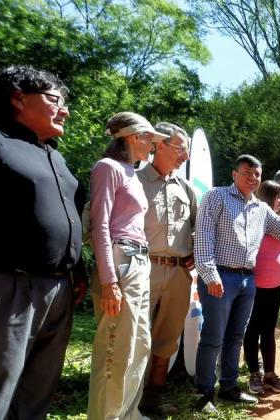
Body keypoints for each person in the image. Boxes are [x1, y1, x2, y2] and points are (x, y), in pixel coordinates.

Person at [193, 155, 280, 412]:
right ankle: (205, 394)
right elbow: (203, 236)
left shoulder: (261, 209)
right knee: (214, 337)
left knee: (236, 336)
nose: (252, 178)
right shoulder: (216, 197)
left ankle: (229, 388)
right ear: (234, 174)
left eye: (257, 174)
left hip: (248, 279)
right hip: (220, 276)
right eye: (247, 172)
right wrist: (209, 273)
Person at [0, 66, 84, 419]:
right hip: (6, 286)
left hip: (58, 289)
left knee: (39, 389)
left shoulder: (54, 154)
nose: (65, 110)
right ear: (18, 97)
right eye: (56, 100)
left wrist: (78, 269)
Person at [87, 112, 168, 419]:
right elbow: (100, 225)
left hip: (139, 261)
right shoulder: (108, 168)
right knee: (116, 350)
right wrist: (109, 281)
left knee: (139, 345)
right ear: (134, 137)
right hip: (121, 260)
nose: (153, 147)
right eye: (151, 140)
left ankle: (128, 414)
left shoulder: (131, 171)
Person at [136, 122, 197, 415]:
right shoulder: (132, 180)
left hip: (178, 275)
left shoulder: (185, 188)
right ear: (160, 144)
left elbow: (201, 229)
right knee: (133, 338)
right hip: (140, 270)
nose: (185, 154)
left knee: (167, 340)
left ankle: (152, 400)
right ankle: (127, 404)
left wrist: (197, 252)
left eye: (186, 147)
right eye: (180, 147)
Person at [244, 180, 280, 395]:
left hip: (275, 285)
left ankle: (270, 375)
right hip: (254, 284)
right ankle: (255, 374)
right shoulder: (255, 218)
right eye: (278, 197)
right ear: (269, 197)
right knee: (252, 329)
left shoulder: (278, 221)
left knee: (268, 330)